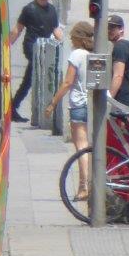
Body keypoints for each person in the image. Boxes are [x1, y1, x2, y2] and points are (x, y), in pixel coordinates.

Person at [45, 20, 95, 200]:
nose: (71, 39)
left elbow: (68, 82)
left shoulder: (77, 55)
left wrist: (53, 103)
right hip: (94, 105)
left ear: (79, 37)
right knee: (93, 147)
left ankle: (84, 187)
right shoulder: (94, 54)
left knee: (81, 148)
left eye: (73, 35)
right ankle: (93, 184)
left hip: (79, 105)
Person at [7, 0, 64, 122]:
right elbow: (18, 29)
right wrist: (6, 46)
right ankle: (18, 109)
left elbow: (56, 29)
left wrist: (63, 43)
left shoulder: (51, 10)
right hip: (31, 46)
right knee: (35, 75)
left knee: (30, 80)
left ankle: (13, 108)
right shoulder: (29, 9)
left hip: (46, 47)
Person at [106, 14, 129, 118]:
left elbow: (118, 75)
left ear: (121, 29)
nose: (109, 30)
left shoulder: (119, 47)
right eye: (107, 27)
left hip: (123, 104)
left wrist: (109, 99)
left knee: (121, 134)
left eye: (112, 27)